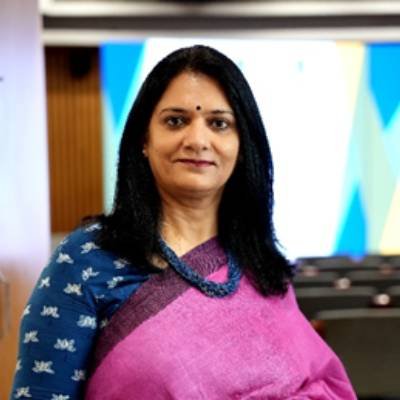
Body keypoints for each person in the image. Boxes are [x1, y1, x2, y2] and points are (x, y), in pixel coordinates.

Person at [10, 45, 356, 399]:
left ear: (241, 145)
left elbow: (320, 385)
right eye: (176, 121)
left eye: (219, 123)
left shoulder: (260, 264)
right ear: (144, 139)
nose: (197, 140)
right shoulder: (88, 258)